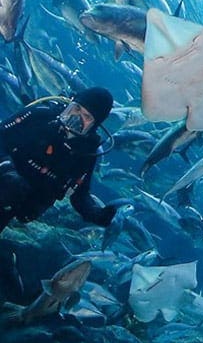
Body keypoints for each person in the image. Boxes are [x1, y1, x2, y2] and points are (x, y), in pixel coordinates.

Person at [0, 87, 117, 233]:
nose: (77, 117)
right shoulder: (41, 116)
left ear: (94, 126)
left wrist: (95, 213)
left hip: (10, 206)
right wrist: (6, 169)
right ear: (70, 103)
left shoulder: (86, 153)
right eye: (76, 108)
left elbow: (79, 193)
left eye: (86, 117)